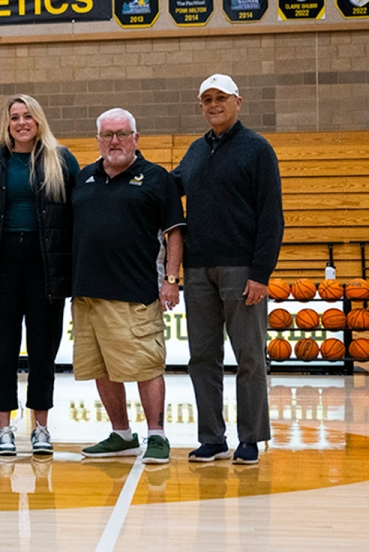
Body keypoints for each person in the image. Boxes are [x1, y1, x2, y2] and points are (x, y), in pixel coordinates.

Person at [173, 74, 284, 465]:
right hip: (198, 270)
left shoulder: (257, 149)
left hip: (242, 270)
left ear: (239, 101)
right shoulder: (194, 151)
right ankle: (212, 438)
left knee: (250, 358)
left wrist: (261, 273)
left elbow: (272, 217)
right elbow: (170, 191)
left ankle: (251, 438)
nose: (213, 105)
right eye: (206, 99)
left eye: (221, 98)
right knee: (202, 358)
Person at [74, 108, 185, 465]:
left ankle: (157, 434)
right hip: (87, 292)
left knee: (146, 365)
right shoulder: (84, 177)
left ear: (136, 138)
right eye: (108, 135)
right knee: (101, 367)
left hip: (135, 291)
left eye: (122, 133)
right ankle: (121, 434)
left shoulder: (156, 178)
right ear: (98, 140)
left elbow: (174, 233)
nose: (115, 141)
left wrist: (171, 280)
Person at [0, 95, 79, 456]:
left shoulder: (61, 159)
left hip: (45, 263)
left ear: (38, 120)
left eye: (27, 116)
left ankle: (41, 427)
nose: (21, 123)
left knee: (42, 352)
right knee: (1, 351)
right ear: (7, 124)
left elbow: (75, 214)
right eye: (14, 117)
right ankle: (4, 429)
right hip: (2, 265)